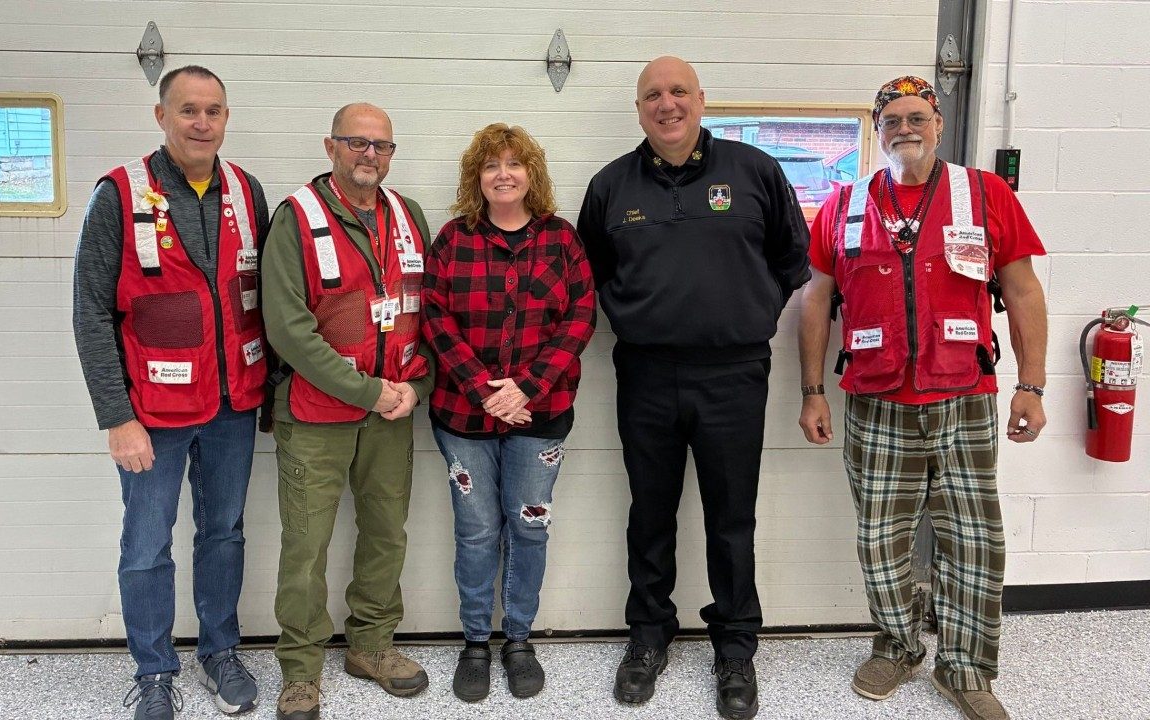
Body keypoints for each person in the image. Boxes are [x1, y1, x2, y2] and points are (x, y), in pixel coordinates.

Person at [796, 76, 1047, 720]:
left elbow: (1021, 292)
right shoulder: (844, 204)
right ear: (877, 132)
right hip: (875, 399)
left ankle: (965, 668)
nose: (905, 127)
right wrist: (812, 391)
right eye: (892, 120)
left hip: (963, 394)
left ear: (938, 125)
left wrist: (1032, 385)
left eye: (918, 116)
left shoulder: (985, 194)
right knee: (881, 537)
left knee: (973, 537)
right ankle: (900, 643)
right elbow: (817, 300)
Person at [577, 56, 811, 719]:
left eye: (679, 91)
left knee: (730, 517)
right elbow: (591, 269)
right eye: (653, 94)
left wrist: (751, 308)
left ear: (702, 100)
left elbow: (793, 260)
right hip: (646, 373)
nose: (667, 103)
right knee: (648, 514)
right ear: (639, 108)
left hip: (734, 374)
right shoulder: (611, 186)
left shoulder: (754, 171)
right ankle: (648, 634)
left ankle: (735, 649)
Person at [73, 65, 268, 720]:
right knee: (146, 543)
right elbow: (91, 313)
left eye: (213, 110)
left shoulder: (246, 191)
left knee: (224, 533)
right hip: (151, 414)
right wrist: (116, 416)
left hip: (232, 405)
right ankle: (155, 671)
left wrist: (269, 392)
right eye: (188, 109)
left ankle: (219, 651)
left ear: (226, 117)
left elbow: (266, 298)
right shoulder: (120, 195)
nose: (202, 122)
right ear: (161, 116)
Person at [261, 103, 436, 720]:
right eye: (356, 142)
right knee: (305, 546)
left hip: (393, 411)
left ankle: (371, 646)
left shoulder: (408, 216)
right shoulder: (296, 218)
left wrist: (421, 383)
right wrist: (369, 390)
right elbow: (288, 329)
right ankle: (302, 669)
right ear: (330, 146)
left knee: (386, 533)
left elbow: (426, 310)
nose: (370, 154)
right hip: (316, 415)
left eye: (382, 146)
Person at [422, 123, 597, 702]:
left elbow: (580, 318)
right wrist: (483, 388)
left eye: (514, 164)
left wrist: (525, 387)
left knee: (528, 527)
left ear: (532, 175)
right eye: (491, 165)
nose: (504, 174)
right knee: (476, 532)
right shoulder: (452, 239)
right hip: (463, 416)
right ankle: (476, 641)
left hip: (540, 414)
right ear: (477, 178)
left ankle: (518, 639)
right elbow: (435, 319)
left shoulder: (561, 240)